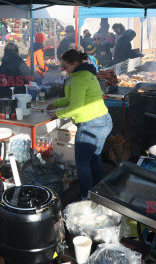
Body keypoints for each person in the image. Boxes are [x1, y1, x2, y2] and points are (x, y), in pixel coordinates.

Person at [47, 49, 112, 199]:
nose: (64, 70)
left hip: (91, 125)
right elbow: (72, 99)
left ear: (75, 63)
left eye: (65, 66)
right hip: (103, 121)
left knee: (82, 163)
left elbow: (76, 107)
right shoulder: (85, 74)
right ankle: (97, 190)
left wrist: (57, 114)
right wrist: (55, 104)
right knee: (95, 157)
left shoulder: (78, 79)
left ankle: (85, 197)